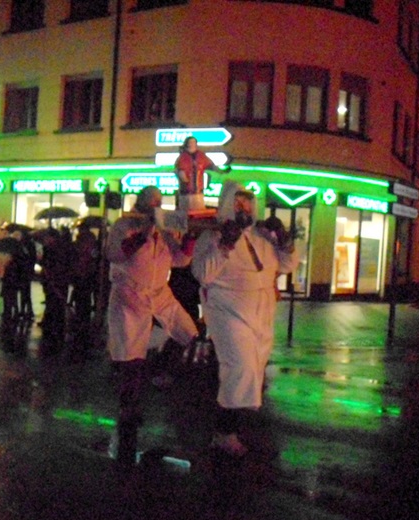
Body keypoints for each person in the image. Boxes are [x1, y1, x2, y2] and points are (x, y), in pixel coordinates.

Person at [191, 183, 299, 457]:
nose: (244, 209)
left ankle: (232, 426)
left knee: (252, 369)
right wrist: (225, 244)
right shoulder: (213, 237)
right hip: (228, 311)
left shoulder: (262, 237)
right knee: (241, 368)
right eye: (238, 203)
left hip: (261, 313)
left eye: (248, 203)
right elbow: (203, 274)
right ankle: (224, 432)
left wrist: (284, 242)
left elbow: (286, 265)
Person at [105, 185, 198, 465]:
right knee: (131, 357)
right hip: (129, 294)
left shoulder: (165, 229)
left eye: (159, 203)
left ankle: (160, 369)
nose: (156, 207)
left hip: (159, 294)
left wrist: (188, 238)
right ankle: (128, 406)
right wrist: (145, 231)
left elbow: (180, 260)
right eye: (152, 203)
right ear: (141, 204)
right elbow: (116, 254)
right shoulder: (124, 225)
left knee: (189, 333)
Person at [174, 136, 225, 212]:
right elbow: (180, 170)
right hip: (186, 193)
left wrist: (220, 171)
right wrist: (184, 178)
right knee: (185, 213)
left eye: (194, 142)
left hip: (198, 192)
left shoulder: (201, 156)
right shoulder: (182, 157)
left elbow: (210, 165)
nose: (192, 144)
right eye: (190, 142)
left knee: (199, 212)